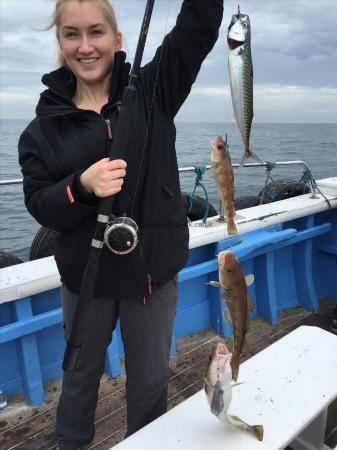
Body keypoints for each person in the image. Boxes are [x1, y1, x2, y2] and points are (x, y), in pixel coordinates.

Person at [18, 0, 223, 449]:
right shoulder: (41, 131)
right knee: (78, 377)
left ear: (117, 39)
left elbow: (196, 29)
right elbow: (41, 204)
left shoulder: (153, 91)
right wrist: (81, 186)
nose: (85, 46)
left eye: (96, 32)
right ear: (60, 42)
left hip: (150, 274)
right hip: (83, 277)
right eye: (72, 34)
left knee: (150, 380)